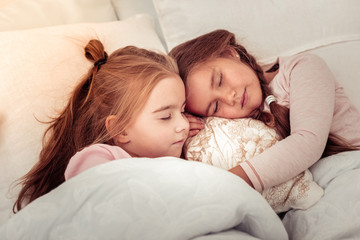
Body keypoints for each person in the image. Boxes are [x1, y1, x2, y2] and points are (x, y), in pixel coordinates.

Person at [169, 29, 360, 192]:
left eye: (220, 80)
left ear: (230, 54)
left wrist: (223, 185)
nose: (230, 97)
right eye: (216, 106)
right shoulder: (232, 126)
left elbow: (308, 142)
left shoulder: (302, 68)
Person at [13, 39, 189, 212]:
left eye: (183, 111)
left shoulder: (175, 156)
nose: (183, 124)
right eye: (166, 116)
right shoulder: (98, 159)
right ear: (120, 129)